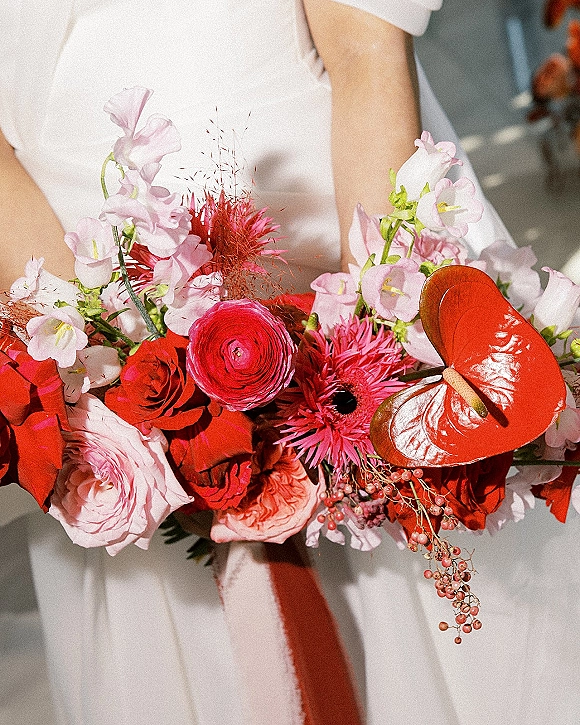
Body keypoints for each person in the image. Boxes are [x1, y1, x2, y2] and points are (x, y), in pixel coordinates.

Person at [2, 1, 579, 724]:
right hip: (93, 315)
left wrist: (374, 353)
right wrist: (105, 378)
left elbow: (366, 55)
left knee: (419, 635)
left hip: (334, 274)